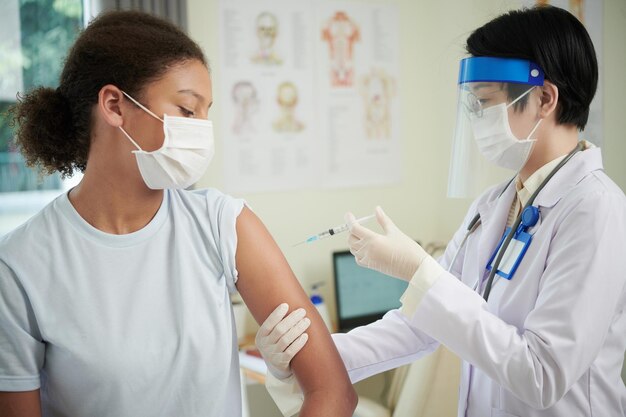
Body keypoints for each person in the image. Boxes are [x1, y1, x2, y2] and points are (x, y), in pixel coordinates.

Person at [257, 5, 626, 417]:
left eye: (485, 102)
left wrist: (419, 270)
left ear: (544, 98)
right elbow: (415, 328)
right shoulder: (492, 206)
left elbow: (542, 375)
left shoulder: (595, 210)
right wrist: (299, 357)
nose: (477, 119)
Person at [0, 11, 357, 417]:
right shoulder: (20, 266)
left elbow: (332, 392)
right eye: (188, 111)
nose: (203, 131)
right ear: (115, 105)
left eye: (207, 112)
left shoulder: (223, 223)